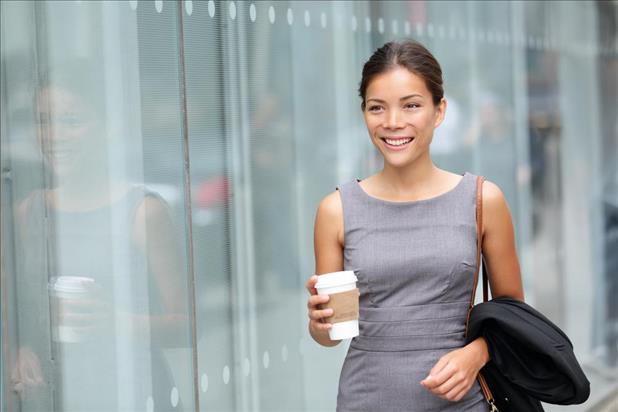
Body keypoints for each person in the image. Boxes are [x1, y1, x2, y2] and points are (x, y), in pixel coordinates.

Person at [305, 40, 524, 411]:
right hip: (366, 398)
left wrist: (477, 354)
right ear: (364, 114)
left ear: (439, 111)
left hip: (462, 401)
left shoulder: (482, 200)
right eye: (377, 108)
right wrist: (319, 323)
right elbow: (332, 336)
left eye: (411, 105)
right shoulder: (336, 210)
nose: (393, 122)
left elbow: (514, 315)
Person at [10, 61, 189, 411]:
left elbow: (186, 327)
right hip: (54, 396)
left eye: (71, 121)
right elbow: (14, 312)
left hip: (133, 395)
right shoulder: (27, 212)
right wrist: (18, 349)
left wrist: (116, 322)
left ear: (108, 127)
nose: (54, 135)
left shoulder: (142, 212)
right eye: (43, 121)